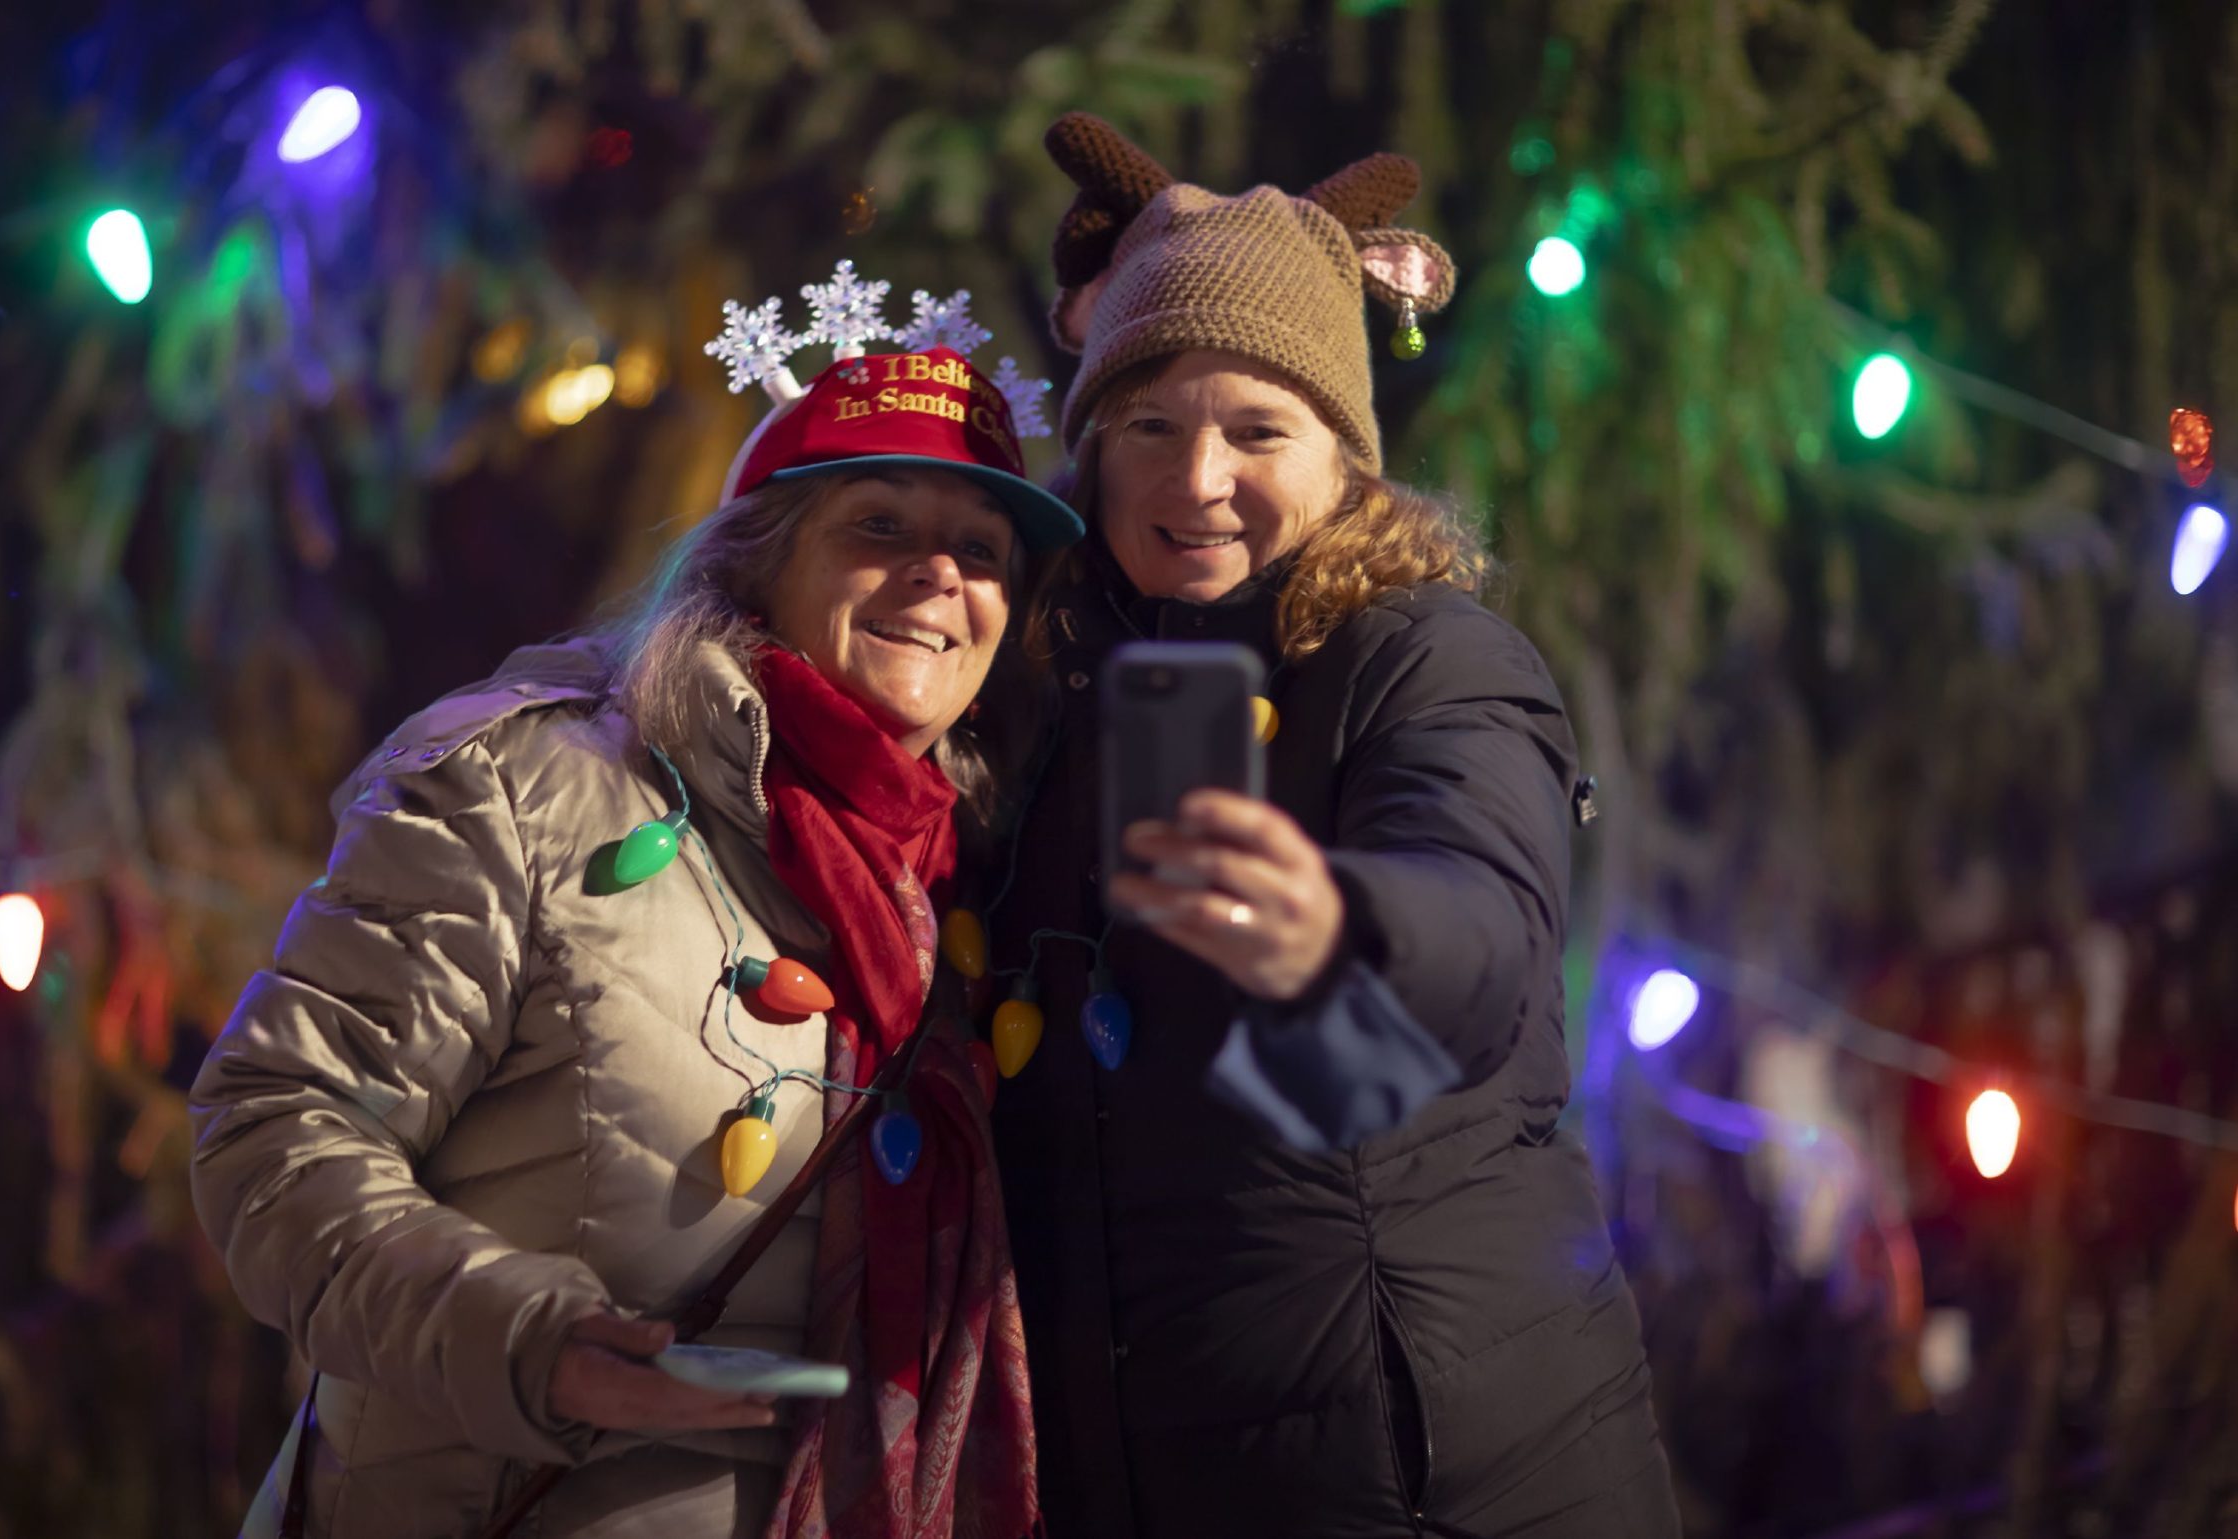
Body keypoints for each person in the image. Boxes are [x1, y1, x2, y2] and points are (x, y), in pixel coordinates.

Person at [189, 329, 1079, 1539]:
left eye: (981, 550)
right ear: (758, 565)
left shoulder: (991, 892)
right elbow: (274, 1133)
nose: (937, 575)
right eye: (877, 524)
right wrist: (530, 1344)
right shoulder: (532, 787)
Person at [981, 113, 1679, 1538]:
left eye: (1258, 429)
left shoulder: (1424, 656)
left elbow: (1481, 916)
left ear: (1345, 454)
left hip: (1441, 1475)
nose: (1197, 481)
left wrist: (1340, 925)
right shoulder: (1037, 686)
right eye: (1151, 427)